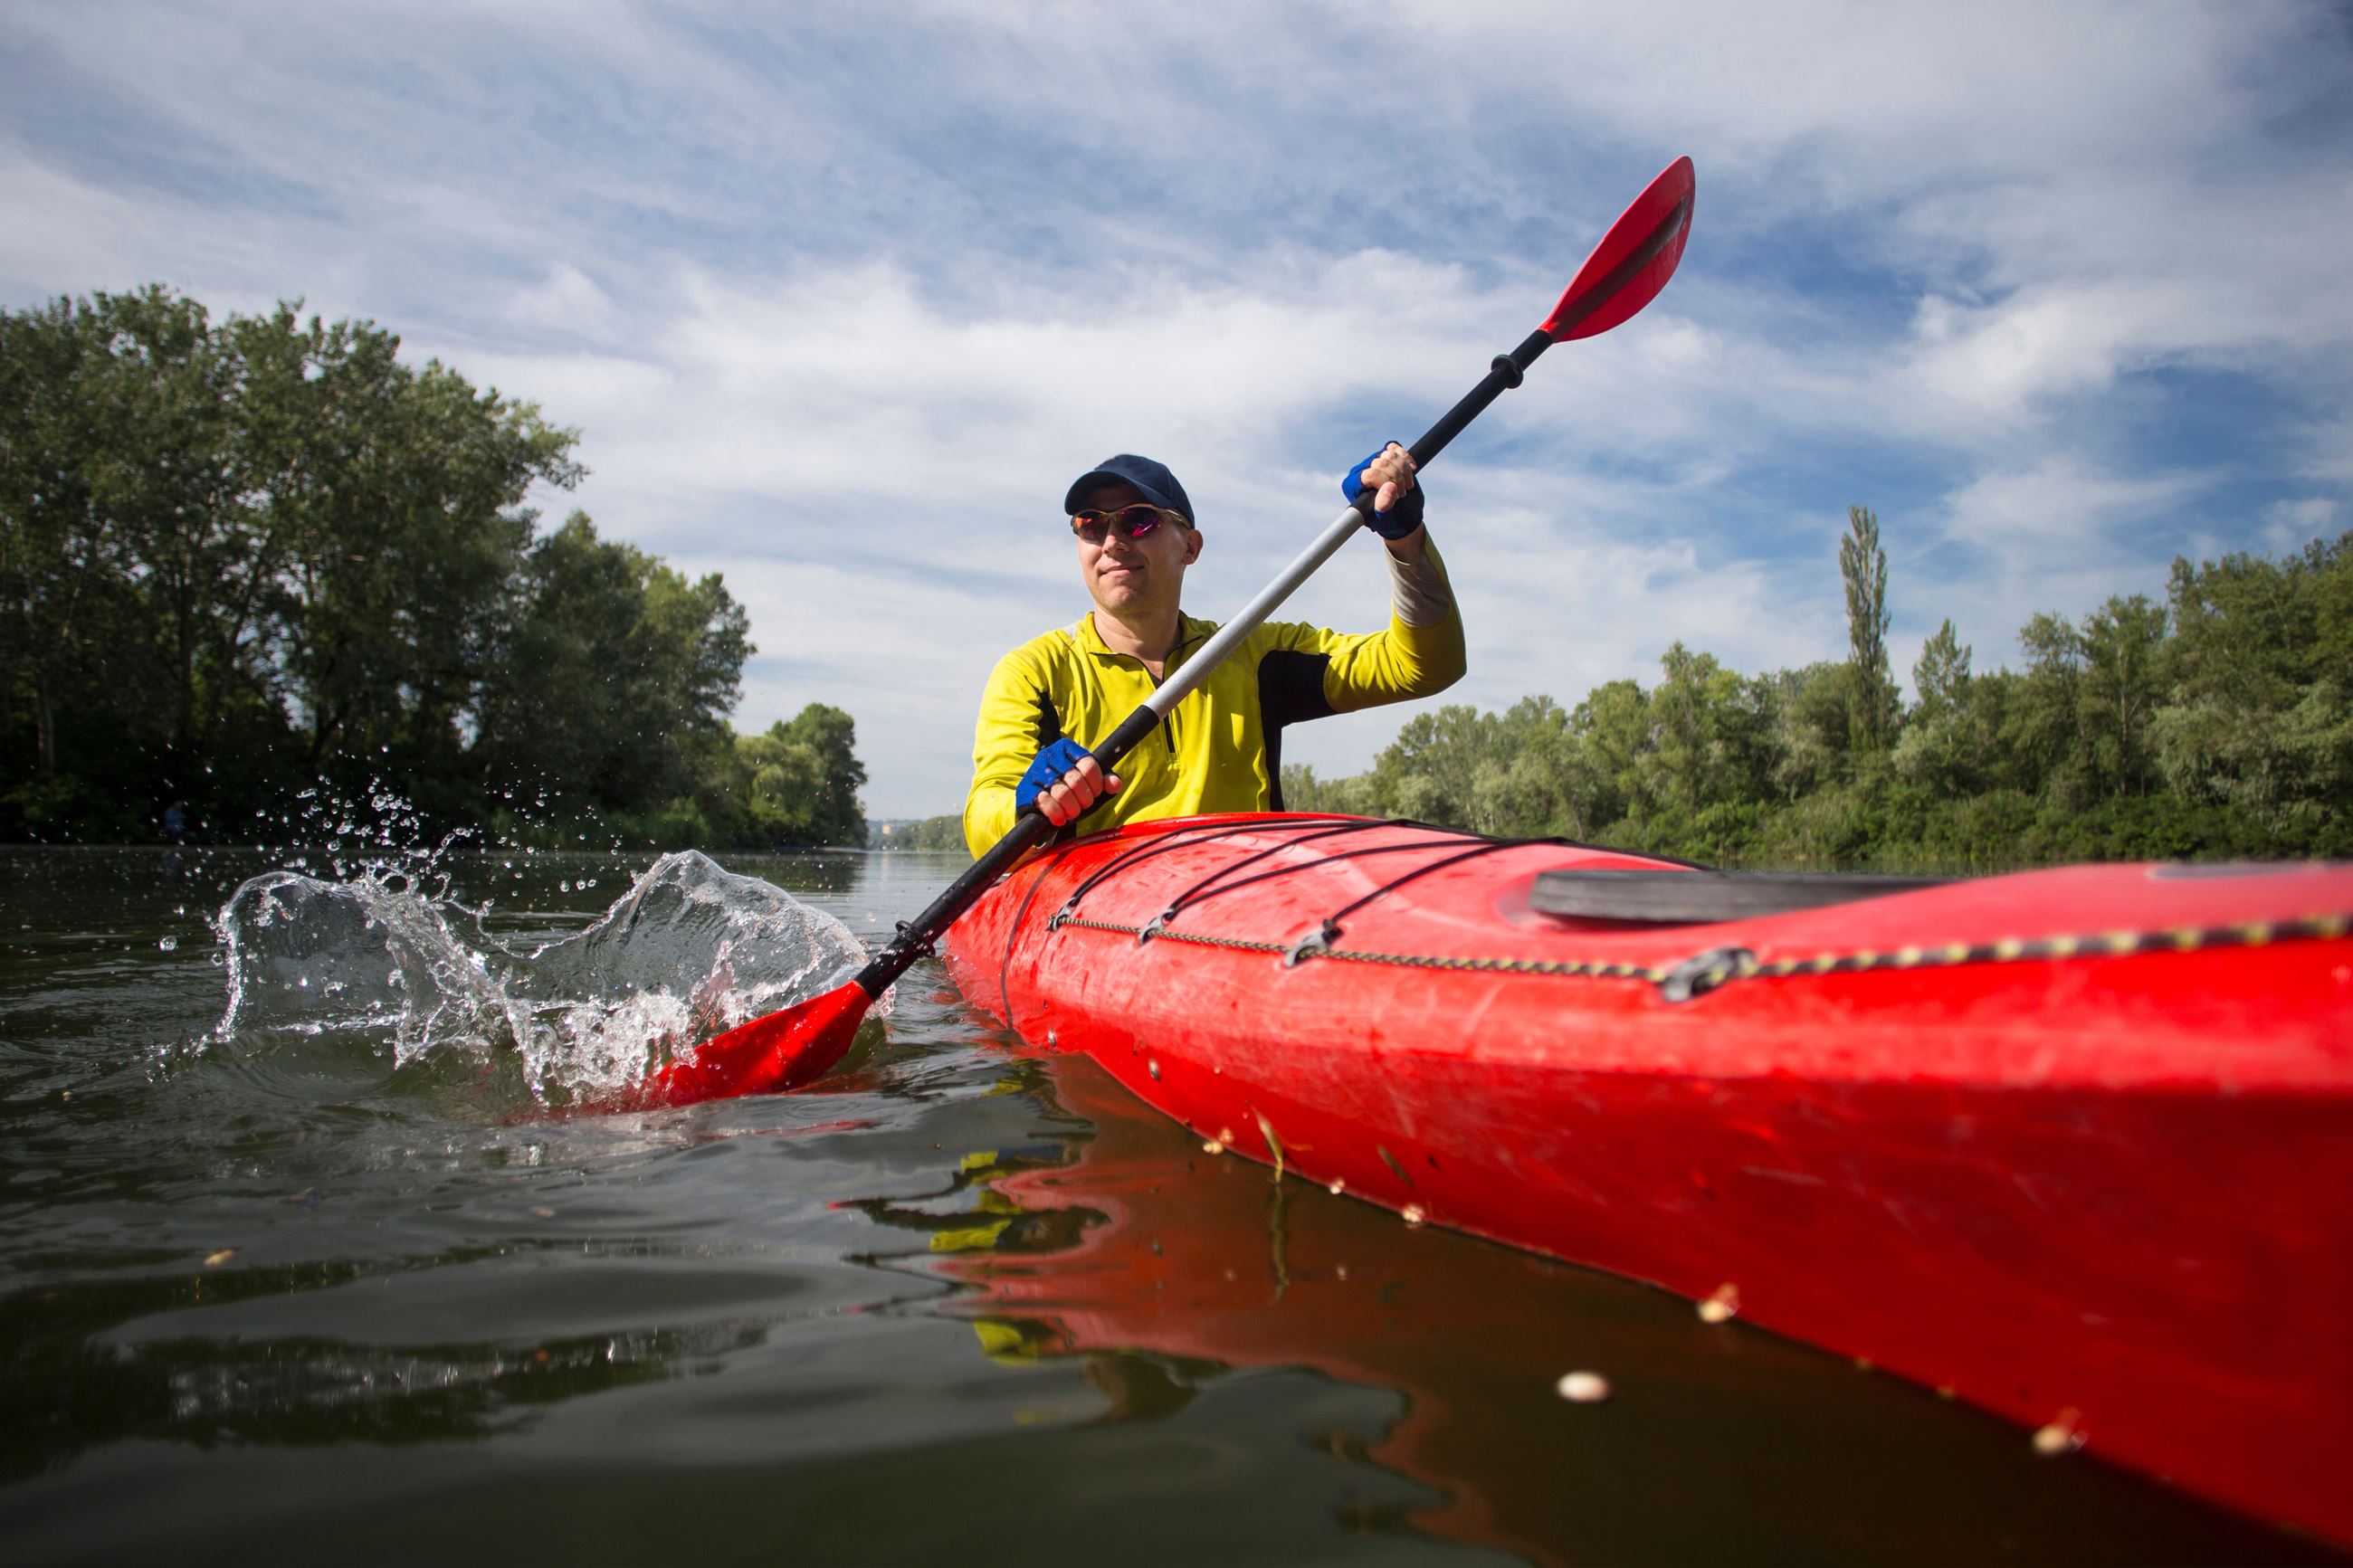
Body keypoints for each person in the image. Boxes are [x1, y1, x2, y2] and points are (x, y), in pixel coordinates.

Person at [962, 444, 1464, 856]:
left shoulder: (1252, 652)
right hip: (1090, 917)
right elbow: (985, 818)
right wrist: (1025, 807)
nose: (1112, 540)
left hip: (1243, 896)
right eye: (1091, 524)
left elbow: (1421, 667)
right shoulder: (1033, 671)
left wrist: (1406, 543)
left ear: (1191, 546)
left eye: (1138, 521)